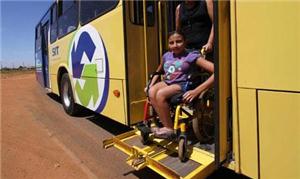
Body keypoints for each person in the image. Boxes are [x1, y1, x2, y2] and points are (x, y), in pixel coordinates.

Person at [147, 31, 214, 139]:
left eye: (179, 41)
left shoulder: (191, 56)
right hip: (168, 82)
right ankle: (165, 123)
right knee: (151, 92)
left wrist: (196, 91)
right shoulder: (166, 56)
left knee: (160, 94)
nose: (175, 45)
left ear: (185, 42)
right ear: (168, 44)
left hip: (183, 84)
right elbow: (158, 71)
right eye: (171, 43)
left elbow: (217, 71)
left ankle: (169, 129)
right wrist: (151, 84)